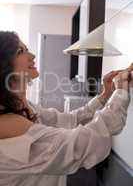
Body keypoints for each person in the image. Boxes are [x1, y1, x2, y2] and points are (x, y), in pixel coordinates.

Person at [0, 31, 132, 186]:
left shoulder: (25, 107)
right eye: (20, 51)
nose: (32, 55)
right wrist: (121, 91)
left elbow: (70, 120)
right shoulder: (7, 123)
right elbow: (81, 146)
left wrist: (105, 95)